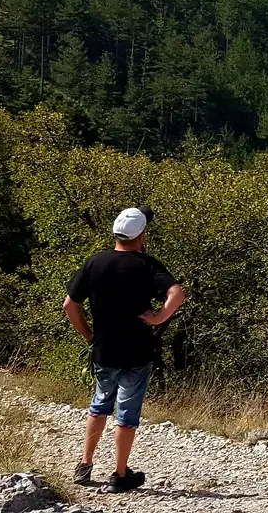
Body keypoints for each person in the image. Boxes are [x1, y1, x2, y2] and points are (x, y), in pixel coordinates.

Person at [62, 206, 187, 492]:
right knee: (127, 413)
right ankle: (119, 474)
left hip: (104, 349)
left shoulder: (94, 263)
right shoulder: (147, 265)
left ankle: (85, 465)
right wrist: (158, 317)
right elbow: (176, 294)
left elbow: (70, 305)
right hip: (137, 351)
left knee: (99, 404)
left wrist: (89, 336)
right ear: (141, 235)